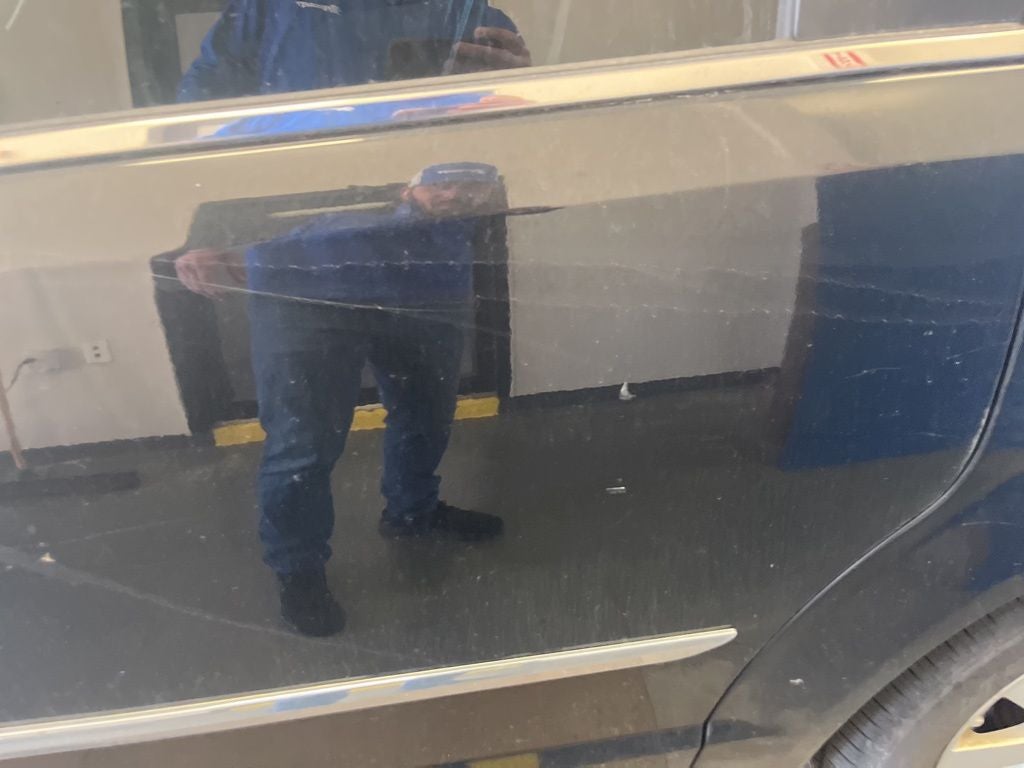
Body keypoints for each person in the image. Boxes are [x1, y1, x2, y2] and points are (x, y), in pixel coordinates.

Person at [176, 163, 506, 636]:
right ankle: (298, 570)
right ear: (408, 187)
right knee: (303, 444)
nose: (455, 193)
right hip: (304, 297)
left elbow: (506, 180)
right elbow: (224, 176)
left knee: (427, 415)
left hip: (426, 291)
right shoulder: (313, 143)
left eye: (467, 185)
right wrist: (208, 241)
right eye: (443, 183)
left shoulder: (458, 179)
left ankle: (413, 512)